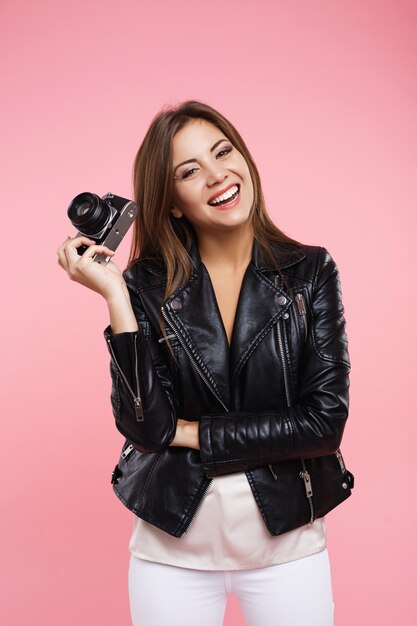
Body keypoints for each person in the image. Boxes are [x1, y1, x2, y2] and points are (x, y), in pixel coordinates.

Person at [57, 100, 353, 626]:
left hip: (287, 543)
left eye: (223, 151)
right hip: (172, 547)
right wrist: (116, 299)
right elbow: (147, 427)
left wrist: (194, 433)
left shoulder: (311, 272)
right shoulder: (143, 285)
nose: (218, 175)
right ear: (171, 202)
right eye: (190, 171)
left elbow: (323, 424)